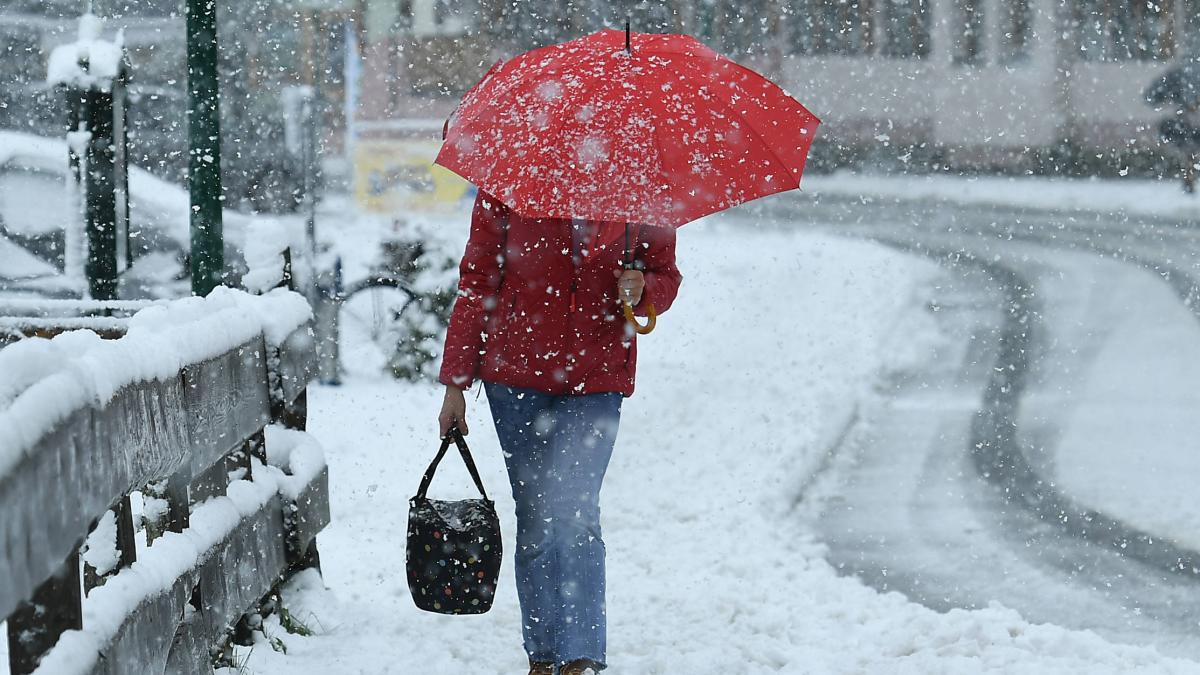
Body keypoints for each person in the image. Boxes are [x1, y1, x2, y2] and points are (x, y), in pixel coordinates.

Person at [437, 190, 682, 675]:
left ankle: (581, 658)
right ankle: (544, 657)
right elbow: (478, 278)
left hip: (597, 378)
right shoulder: (510, 180)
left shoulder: (638, 183)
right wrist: (455, 383)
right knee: (535, 519)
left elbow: (666, 276)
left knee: (573, 510)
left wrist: (643, 288)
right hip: (515, 377)